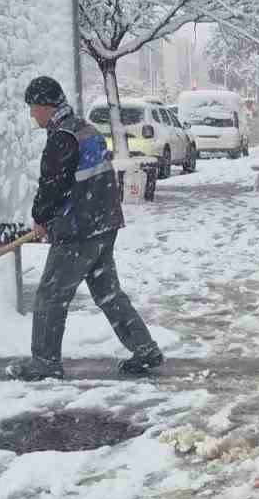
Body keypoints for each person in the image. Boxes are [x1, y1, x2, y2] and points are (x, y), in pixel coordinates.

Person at [14, 76, 164, 382]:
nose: (32, 114)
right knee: (108, 293)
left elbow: (53, 185)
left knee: (50, 296)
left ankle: (45, 362)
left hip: (78, 232)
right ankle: (144, 348)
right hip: (103, 225)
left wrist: (41, 219)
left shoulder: (62, 137)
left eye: (33, 107)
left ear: (46, 105)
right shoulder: (85, 130)